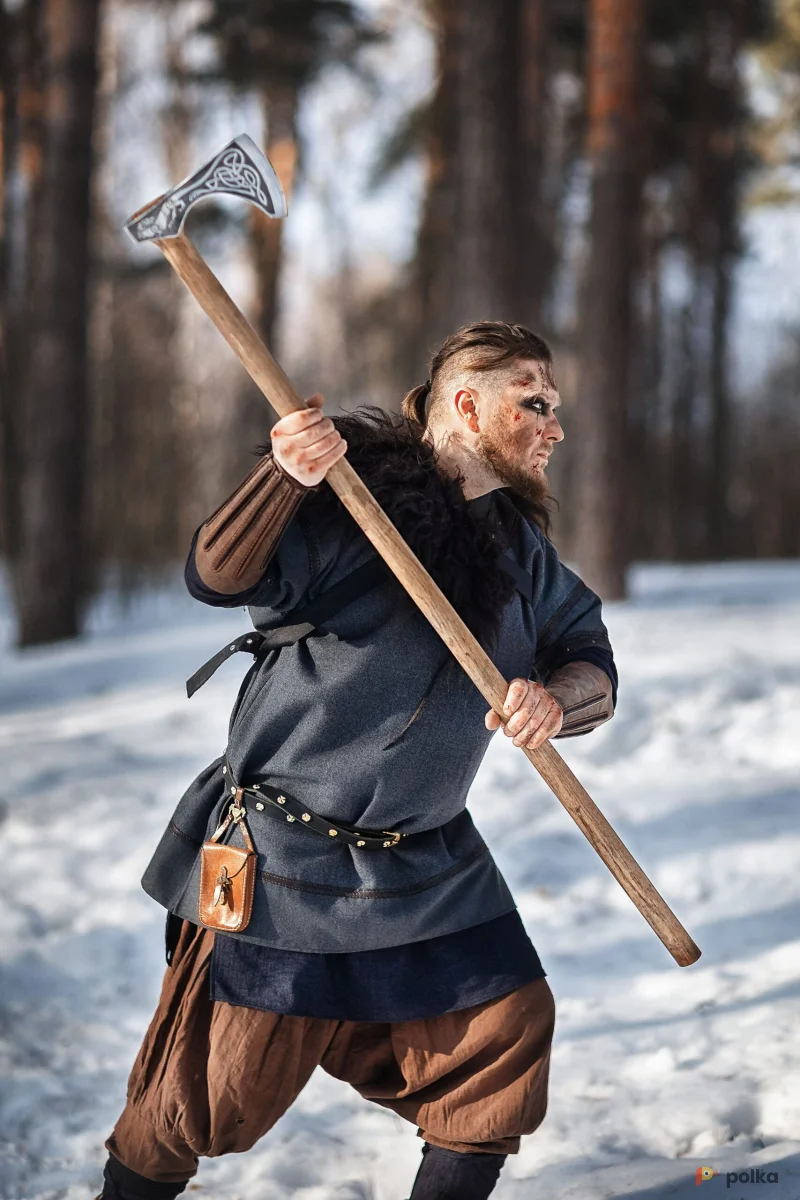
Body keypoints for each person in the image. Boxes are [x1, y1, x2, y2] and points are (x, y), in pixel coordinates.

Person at [96, 322, 617, 1200]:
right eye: (535, 403)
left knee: (499, 1041)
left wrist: (554, 699)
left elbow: (592, 659)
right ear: (467, 405)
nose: (554, 428)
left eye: (554, 408)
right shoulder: (352, 501)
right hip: (280, 856)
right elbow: (218, 575)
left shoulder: (521, 552)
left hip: (428, 860)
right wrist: (282, 475)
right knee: (206, 1093)